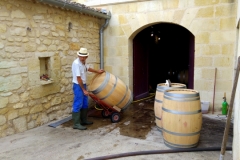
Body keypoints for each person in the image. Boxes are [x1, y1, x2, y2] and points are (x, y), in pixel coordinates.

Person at [72, 47, 104, 130]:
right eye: (81, 56)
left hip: (83, 85)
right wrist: (84, 90)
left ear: (86, 57)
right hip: (78, 86)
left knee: (85, 103)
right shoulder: (76, 63)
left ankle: (84, 120)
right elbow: (78, 78)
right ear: (78, 55)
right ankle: (76, 124)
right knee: (78, 103)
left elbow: (88, 68)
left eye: (84, 57)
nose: (82, 58)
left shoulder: (83, 62)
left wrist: (97, 71)